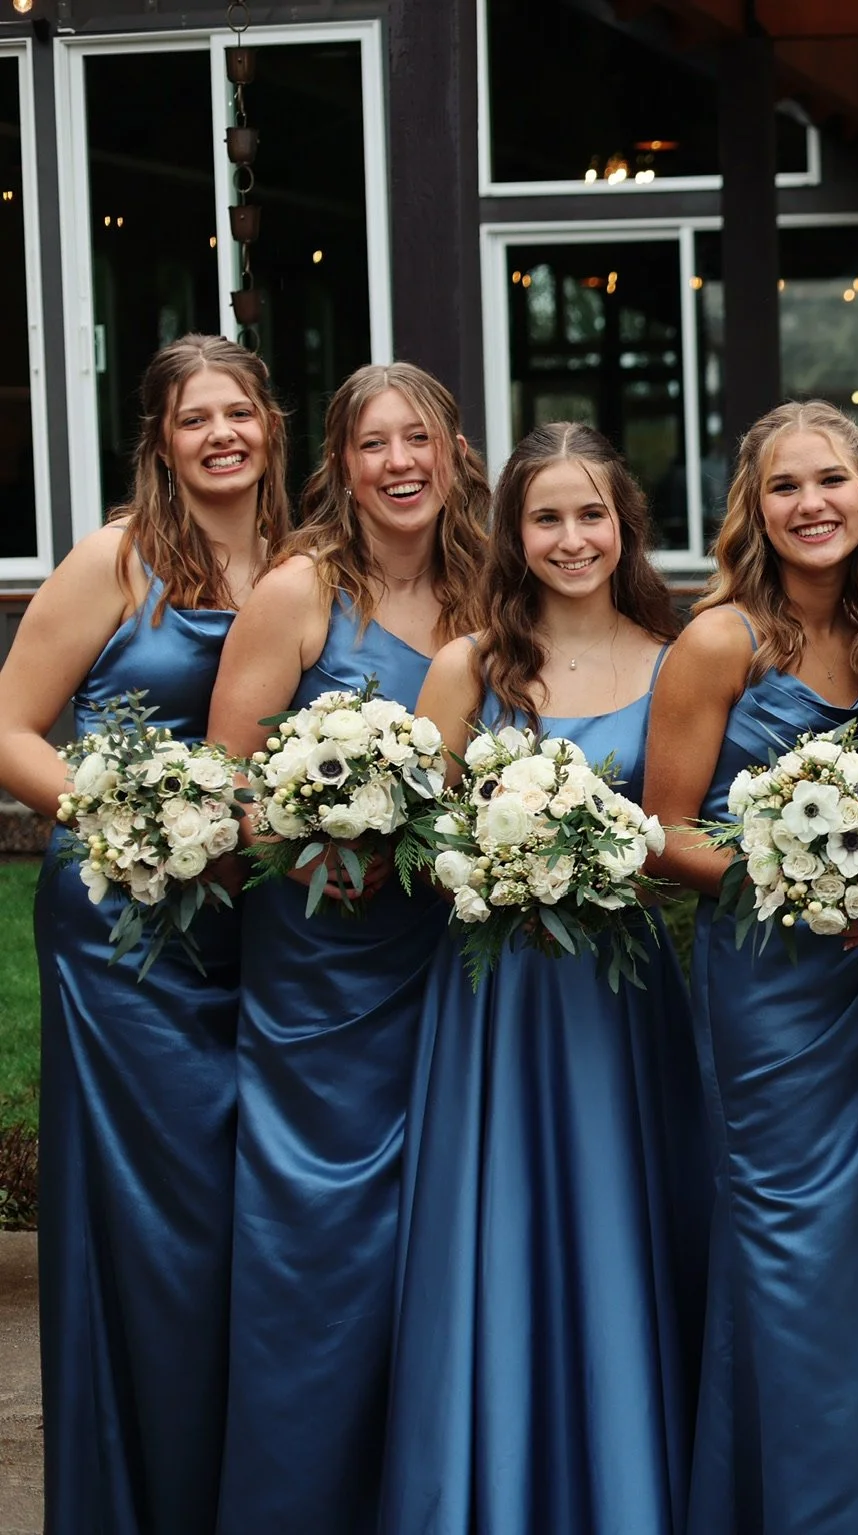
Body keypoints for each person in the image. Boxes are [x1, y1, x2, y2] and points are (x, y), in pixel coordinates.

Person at [381, 423, 706, 1534]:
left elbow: (682, 833)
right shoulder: (467, 667)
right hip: (497, 1000)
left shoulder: (673, 661)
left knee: (621, 1234)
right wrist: (498, 859)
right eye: (547, 517)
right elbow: (416, 838)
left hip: (623, 997)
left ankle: (627, 1491)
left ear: (626, 526)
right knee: (502, 1239)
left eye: (591, 514)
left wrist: (606, 854)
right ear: (513, 533)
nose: (572, 538)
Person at [0, 335, 289, 1534]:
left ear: (271, 426)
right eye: (194, 418)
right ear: (160, 442)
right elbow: (11, 728)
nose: (222, 434)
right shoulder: (116, 559)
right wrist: (127, 821)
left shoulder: (306, 561)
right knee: (158, 1229)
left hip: (268, 928)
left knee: (260, 1221)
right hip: (125, 937)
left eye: (239, 412)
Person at [207, 362, 491, 1530]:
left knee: (442, 1245)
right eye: (374, 444)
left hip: (451, 960)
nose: (399, 463)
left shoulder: (490, 588)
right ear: (341, 464)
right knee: (316, 1251)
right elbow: (229, 787)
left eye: (418, 439)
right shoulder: (300, 591)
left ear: (454, 454)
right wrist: (325, 841)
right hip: (320, 968)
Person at [642, 400, 858, 1535]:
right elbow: (661, 831)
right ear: (753, 509)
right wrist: (794, 882)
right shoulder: (721, 641)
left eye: (831, 480)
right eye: (785, 486)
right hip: (770, 993)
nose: (812, 505)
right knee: (792, 1248)